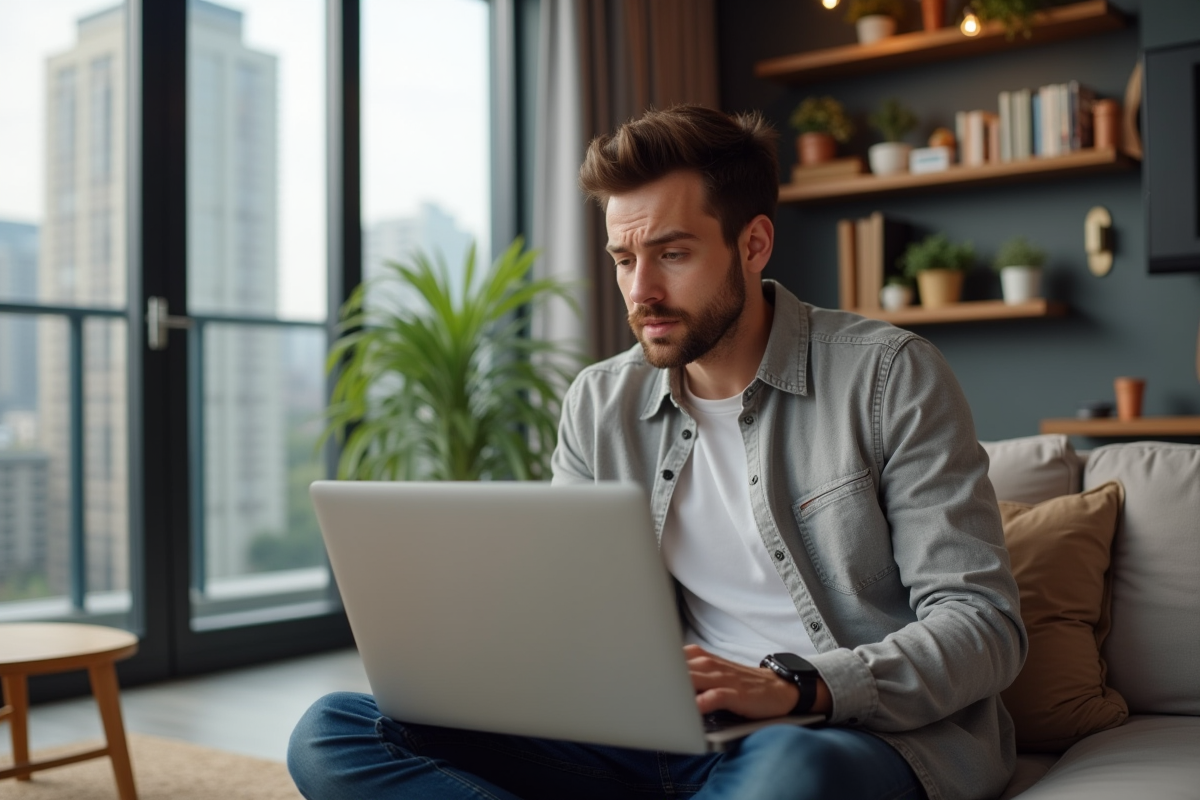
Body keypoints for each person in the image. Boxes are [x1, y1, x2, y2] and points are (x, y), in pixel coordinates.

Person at [287, 105, 1027, 800]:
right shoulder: (599, 402)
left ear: (754, 244)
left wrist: (796, 685)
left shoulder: (888, 375)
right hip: (659, 735)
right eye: (622, 258)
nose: (641, 290)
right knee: (337, 731)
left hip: (839, 730)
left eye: (671, 253)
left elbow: (983, 624)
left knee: (790, 771)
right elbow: (569, 609)